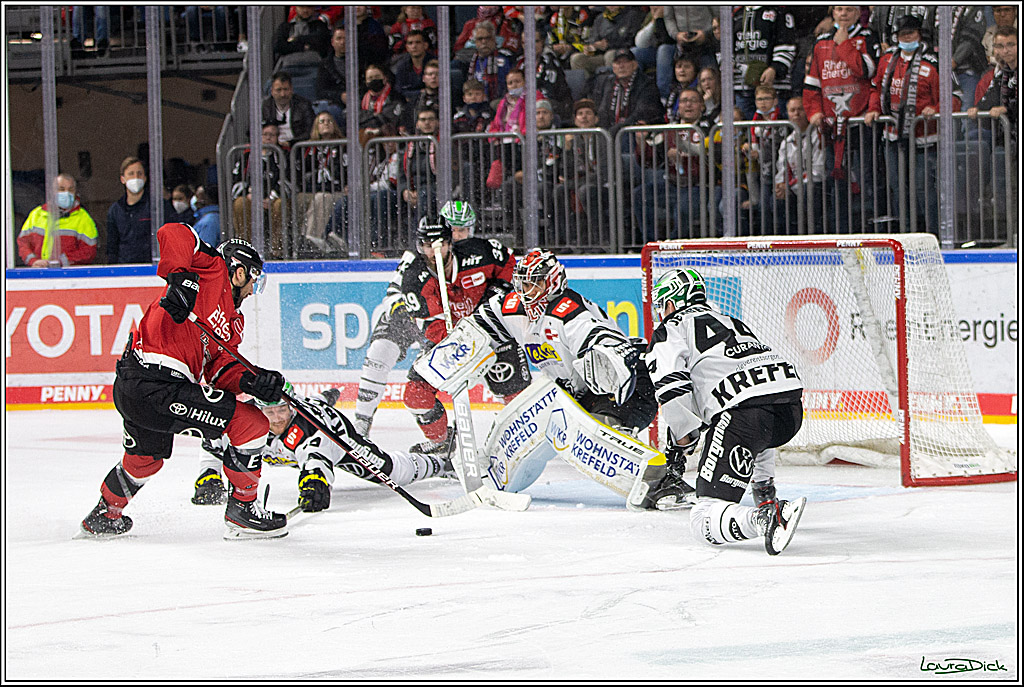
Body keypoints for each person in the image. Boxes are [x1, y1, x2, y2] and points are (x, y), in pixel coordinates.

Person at [80, 229, 289, 539]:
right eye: (253, 282)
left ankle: (105, 513)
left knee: (146, 460)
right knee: (252, 424)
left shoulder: (233, 324)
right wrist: (180, 278)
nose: (251, 291)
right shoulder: (212, 269)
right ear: (240, 272)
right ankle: (243, 509)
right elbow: (174, 232)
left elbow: (219, 369)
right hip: (153, 381)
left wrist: (253, 379)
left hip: (142, 389)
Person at [643, 267, 806, 555]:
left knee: (703, 517)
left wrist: (683, 441)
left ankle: (765, 518)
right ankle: (765, 493)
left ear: (670, 303)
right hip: (790, 410)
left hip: (747, 414)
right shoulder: (730, 319)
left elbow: (672, 390)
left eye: (661, 305)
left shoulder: (670, 329)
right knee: (755, 426)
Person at [471, 248, 656, 436]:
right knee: (525, 428)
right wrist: (456, 351)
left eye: (536, 284)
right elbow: (478, 324)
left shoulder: (568, 313)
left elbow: (603, 343)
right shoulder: (514, 308)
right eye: (525, 285)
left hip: (630, 384)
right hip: (578, 395)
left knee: (599, 427)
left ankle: (622, 437)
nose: (528, 292)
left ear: (552, 282)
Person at [196, 385, 453, 511]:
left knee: (391, 473)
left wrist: (314, 482)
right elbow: (215, 440)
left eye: (282, 410)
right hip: (303, 433)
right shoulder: (249, 421)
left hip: (335, 436)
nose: (276, 419)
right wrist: (208, 474)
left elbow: (315, 457)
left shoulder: (308, 428)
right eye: (269, 411)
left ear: (292, 408)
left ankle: (441, 463)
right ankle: (323, 395)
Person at [401, 217, 527, 452]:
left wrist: (496, 293)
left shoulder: (479, 251)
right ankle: (442, 445)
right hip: (450, 343)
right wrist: (458, 340)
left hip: (493, 330)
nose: (432, 250)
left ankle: (526, 443)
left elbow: (510, 264)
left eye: (438, 244)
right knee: (416, 395)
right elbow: (426, 324)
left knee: (518, 398)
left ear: (449, 243)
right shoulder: (413, 279)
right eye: (426, 245)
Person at [865, 14, 962, 235]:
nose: (906, 38)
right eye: (901, 34)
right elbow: (876, 89)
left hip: (925, 139)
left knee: (923, 189)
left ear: (920, 34)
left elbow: (955, 96)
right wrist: (873, 109)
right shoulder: (887, 59)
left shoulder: (935, 61)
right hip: (893, 136)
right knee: (898, 188)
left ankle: (933, 234)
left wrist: (936, 110)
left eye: (910, 33)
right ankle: (907, 235)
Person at [803, 5, 881, 233]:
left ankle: (867, 231)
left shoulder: (868, 37)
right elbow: (812, 84)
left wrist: (844, 43)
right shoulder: (821, 43)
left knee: (865, 179)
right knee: (835, 181)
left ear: (858, 13)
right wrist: (814, 111)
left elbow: (865, 71)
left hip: (860, 123)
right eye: (839, 9)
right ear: (832, 13)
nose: (844, 14)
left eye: (849, 9)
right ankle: (840, 232)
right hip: (831, 127)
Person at [231, 121, 287, 258]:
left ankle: (276, 248)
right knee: (239, 203)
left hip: (273, 198)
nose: (268, 138)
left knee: (280, 204)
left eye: (272, 135)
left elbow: (290, 181)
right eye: (265, 134)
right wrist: (250, 194)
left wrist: (272, 196)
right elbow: (236, 182)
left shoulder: (282, 156)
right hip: (251, 198)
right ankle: (246, 245)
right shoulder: (246, 156)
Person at [729, 7, 798, 119]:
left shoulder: (779, 11)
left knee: (775, 130)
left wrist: (774, 68)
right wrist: (727, 63)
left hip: (774, 87)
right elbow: (725, 45)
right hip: (742, 88)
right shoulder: (736, 13)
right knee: (746, 131)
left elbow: (787, 44)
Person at [18, 173, 98, 267]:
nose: (66, 193)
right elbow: (23, 243)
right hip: (38, 274)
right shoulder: (37, 214)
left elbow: (88, 252)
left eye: (71, 190)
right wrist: (33, 261)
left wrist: (61, 262)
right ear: (52, 192)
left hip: (67, 276)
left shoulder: (83, 219)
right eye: (61, 189)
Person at [107, 157, 174, 265]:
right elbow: (112, 247)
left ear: (145, 178)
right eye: (131, 174)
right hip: (125, 269)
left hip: (154, 268)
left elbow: (172, 238)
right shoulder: (115, 210)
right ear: (123, 179)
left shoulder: (159, 206)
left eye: (139, 173)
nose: (136, 177)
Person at [774, 96, 825, 233]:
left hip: (814, 186)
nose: (796, 114)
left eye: (800, 110)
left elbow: (817, 172)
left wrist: (790, 184)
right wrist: (780, 185)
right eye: (792, 110)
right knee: (774, 198)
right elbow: (782, 169)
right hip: (793, 187)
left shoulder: (817, 136)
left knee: (808, 191)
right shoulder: (787, 141)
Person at [297, 110, 346, 254]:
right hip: (311, 190)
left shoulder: (342, 146)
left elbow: (345, 172)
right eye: (322, 121)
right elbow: (302, 174)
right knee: (313, 198)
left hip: (335, 191)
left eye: (329, 121)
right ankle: (305, 240)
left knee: (323, 198)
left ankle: (311, 239)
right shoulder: (308, 148)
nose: (326, 124)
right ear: (316, 127)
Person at [595, 50, 664, 139]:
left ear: (634, 65)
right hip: (612, 131)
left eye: (625, 62)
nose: (621, 66)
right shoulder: (608, 83)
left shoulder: (646, 83)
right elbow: (602, 110)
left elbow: (640, 112)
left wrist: (615, 130)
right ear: (613, 67)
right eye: (618, 62)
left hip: (633, 131)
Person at [569, 6, 645, 80]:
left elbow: (632, 41)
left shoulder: (632, 16)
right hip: (600, 55)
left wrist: (609, 45)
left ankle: (612, 88)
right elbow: (592, 39)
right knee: (577, 59)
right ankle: (588, 89)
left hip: (622, 54)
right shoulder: (600, 18)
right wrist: (592, 46)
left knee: (610, 55)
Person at [454, 20, 515, 104]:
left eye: (487, 38)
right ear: (475, 42)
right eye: (480, 39)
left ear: (494, 39)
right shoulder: (470, 61)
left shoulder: (505, 58)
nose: (484, 42)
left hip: (501, 102)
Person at [260, 71, 316, 150]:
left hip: (297, 148)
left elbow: (310, 131)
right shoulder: (265, 107)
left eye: (286, 89)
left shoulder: (303, 104)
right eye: (278, 90)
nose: (283, 94)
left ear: (291, 90)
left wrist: (291, 143)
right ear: (272, 91)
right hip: (272, 148)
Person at [359, 63, 410, 133]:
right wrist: (374, 115)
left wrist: (368, 117)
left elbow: (390, 118)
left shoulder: (396, 97)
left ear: (385, 78)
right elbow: (354, 117)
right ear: (366, 82)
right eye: (370, 78)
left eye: (377, 77)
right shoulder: (361, 98)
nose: (374, 80)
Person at [392, 29, 434, 102]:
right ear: (407, 48)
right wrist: (420, 92)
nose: (414, 46)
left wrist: (411, 94)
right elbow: (399, 91)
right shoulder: (402, 67)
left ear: (425, 45)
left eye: (418, 42)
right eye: (410, 43)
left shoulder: (435, 63)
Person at [316, 26, 351, 112]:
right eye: (339, 39)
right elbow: (321, 91)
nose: (342, 42)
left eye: (346, 39)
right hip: (335, 106)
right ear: (332, 42)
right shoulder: (325, 65)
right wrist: (340, 96)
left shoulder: (361, 62)